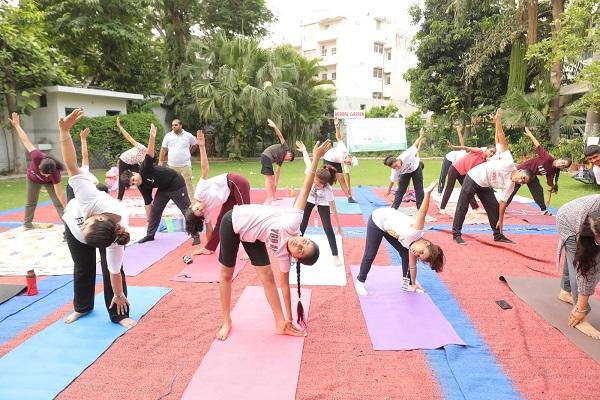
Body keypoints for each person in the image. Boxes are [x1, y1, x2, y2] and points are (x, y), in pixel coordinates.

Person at [215, 140, 331, 341]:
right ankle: (227, 320)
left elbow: (284, 286)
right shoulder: (293, 222)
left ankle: (281, 324)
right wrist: (316, 159)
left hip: (252, 236)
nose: (300, 245)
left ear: (296, 258)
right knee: (226, 274)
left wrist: (290, 318)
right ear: (304, 237)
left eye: (301, 251)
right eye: (306, 242)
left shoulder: (284, 257)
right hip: (233, 221)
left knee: (268, 276)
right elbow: (305, 188)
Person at [58, 109, 135, 328]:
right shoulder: (88, 196)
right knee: (83, 266)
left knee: (115, 269)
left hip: (99, 235)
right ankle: (82, 307)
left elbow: (113, 271)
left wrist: (119, 294)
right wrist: (64, 133)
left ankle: (119, 314)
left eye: (88, 225)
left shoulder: (116, 238)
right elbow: (72, 164)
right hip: (72, 225)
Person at [354, 180, 445, 296]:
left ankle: (407, 284)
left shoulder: (413, 248)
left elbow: (412, 266)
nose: (416, 253)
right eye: (421, 251)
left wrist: (413, 283)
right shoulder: (416, 232)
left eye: (419, 255)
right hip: (378, 220)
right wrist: (427, 194)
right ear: (426, 243)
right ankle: (360, 281)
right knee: (370, 254)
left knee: (405, 253)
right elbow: (422, 212)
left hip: (390, 229)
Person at [120, 124, 196, 244]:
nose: (136, 182)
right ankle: (150, 235)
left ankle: (195, 233)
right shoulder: (142, 186)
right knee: (155, 210)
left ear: (134, 173)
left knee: (185, 209)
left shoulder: (144, 169)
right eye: (133, 183)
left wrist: (152, 137)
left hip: (175, 183)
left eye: (134, 179)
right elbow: (147, 203)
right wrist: (148, 221)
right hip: (163, 189)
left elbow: (149, 153)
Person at [184, 130, 251, 255]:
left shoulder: (200, 193)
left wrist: (202, 147)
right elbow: (210, 229)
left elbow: (205, 169)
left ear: (192, 205)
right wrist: (207, 247)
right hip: (229, 195)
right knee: (222, 221)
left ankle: (250, 249)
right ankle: (210, 248)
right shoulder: (205, 212)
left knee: (245, 215)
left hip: (236, 182)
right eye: (201, 213)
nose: (202, 209)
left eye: (197, 209)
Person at [8, 112, 66, 230]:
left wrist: (68, 209)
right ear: (39, 165)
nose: (44, 175)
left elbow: (60, 194)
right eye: (42, 172)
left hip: (50, 184)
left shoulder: (55, 174)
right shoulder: (36, 156)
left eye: (46, 174)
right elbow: (25, 141)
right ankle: (27, 224)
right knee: (31, 202)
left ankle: (68, 226)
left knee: (58, 203)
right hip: (32, 180)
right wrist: (17, 125)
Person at [556, 195, 600, 339]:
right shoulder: (585, 225)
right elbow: (586, 270)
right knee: (580, 264)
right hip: (568, 220)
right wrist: (581, 309)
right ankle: (580, 314)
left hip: (585, 215)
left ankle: (565, 291)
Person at [296, 140, 343, 266]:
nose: (315, 183)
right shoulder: (312, 174)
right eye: (314, 181)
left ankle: (335, 255)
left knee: (327, 227)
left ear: (325, 184)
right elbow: (308, 161)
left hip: (322, 202)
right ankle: (295, 253)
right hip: (310, 199)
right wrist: (304, 149)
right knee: (302, 224)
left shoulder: (327, 189)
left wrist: (338, 226)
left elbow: (333, 208)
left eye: (317, 183)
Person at [506, 127, 571, 214]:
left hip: (531, 176)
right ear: (560, 158)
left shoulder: (552, 171)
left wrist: (548, 200)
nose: (561, 165)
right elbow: (538, 145)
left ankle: (543, 209)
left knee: (538, 190)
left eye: (563, 166)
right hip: (522, 171)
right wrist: (530, 135)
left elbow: (549, 186)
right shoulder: (547, 158)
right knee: (513, 189)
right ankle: (503, 206)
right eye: (562, 162)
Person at [438, 133, 498, 215]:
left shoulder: (484, 161)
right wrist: (453, 147)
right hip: (455, 168)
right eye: (491, 151)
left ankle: (475, 208)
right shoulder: (479, 151)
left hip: (463, 173)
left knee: (468, 189)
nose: (491, 154)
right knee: (449, 188)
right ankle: (442, 208)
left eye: (493, 153)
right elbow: (465, 148)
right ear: (486, 149)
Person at [159, 119, 197, 210]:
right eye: (172, 125)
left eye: (176, 125)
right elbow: (164, 149)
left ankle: (193, 202)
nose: (174, 127)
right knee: (172, 184)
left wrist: (189, 152)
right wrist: (160, 161)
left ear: (181, 125)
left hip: (185, 165)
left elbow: (195, 144)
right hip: (171, 166)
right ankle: (173, 200)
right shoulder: (168, 136)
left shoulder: (188, 135)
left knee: (188, 183)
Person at [384, 128, 426, 210]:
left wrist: (421, 136)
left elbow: (414, 145)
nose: (397, 167)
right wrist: (388, 190)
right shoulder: (395, 170)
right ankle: (394, 209)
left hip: (416, 168)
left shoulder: (406, 154)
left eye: (396, 165)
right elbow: (392, 180)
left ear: (397, 160)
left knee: (419, 189)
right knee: (400, 190)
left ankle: (420, 209)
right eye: (394, 167)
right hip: (405, 173)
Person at [322, 118, 359, 203]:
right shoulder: (344, 149)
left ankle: (349, 198)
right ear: (350, 157)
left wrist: (349, 187)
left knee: (341, 179)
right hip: (328, 158)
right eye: (349, 161)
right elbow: (338, 137)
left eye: (349, 164)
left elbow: (347, 175)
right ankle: (321, 194)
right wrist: (337, 125)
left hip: (336, 162)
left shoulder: (347, 164)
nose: (347, 163)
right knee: (327, 178)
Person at [66, 127, 108, 201]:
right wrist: (83, 139)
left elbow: (85, 156)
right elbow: (83, 156)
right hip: (73, 187)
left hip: (86, 187)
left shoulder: (91, 178)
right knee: (73, 205)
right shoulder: (77, 176)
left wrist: (83, 139)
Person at [260, 118, 294, 204]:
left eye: (289, 160)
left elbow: (278, 171)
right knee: (268, 178)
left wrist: (276, 183)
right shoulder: (285, 148)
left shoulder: (281, 159)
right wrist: (275, 126)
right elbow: (280, 136)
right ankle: (270, 198)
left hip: (267, 158)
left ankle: (273, 197)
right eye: (289, 157)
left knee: (272, 178)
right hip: (266, 156)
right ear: (289, 152)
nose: (287, 159)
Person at [115, 117, 147, 201]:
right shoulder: (142, 148)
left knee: (139, 177)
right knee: (121, 179)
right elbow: (129, 138)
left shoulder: (146, 159)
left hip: (133, 163)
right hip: (125, 160)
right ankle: (119, 199)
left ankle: (146, 197)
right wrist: (120, 126)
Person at [438, 124, 467, 194]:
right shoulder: (464, 153)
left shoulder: (467, 163)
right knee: (443, 174)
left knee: (463, 177)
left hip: (455, 163)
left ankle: (467, 190)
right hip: (448, 158)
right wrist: (459, 132)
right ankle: (440, 191)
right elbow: (461, 142)